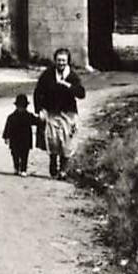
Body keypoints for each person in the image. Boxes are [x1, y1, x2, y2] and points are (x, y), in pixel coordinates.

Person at [33, 47, 86, 178]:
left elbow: (81, 93)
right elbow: (38, 92)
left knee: (67, 141)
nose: (61, 63)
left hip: (68, 113)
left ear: (68, 61)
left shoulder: (72, 76)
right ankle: (53, 163)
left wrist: (69, 86)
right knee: (53, 140)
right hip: (52, 112)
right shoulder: (48, 75)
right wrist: (40, 109)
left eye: (64, 61)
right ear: (55, 60)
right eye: (59, 60)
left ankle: (63, 170)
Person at [1, 94, 42, 176]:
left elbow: (38, 122)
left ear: (26, 106)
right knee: (15, 154)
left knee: (24, 155)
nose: (21, 108)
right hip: (14, 140)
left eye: (23, 106)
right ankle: (16, 167)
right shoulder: (11, 117)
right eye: (20, 106)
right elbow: (7, 128)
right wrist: (6, 137)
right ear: (16, 106)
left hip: (25, 140)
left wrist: (41, 118)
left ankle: (23, 169)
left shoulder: (29, 116)